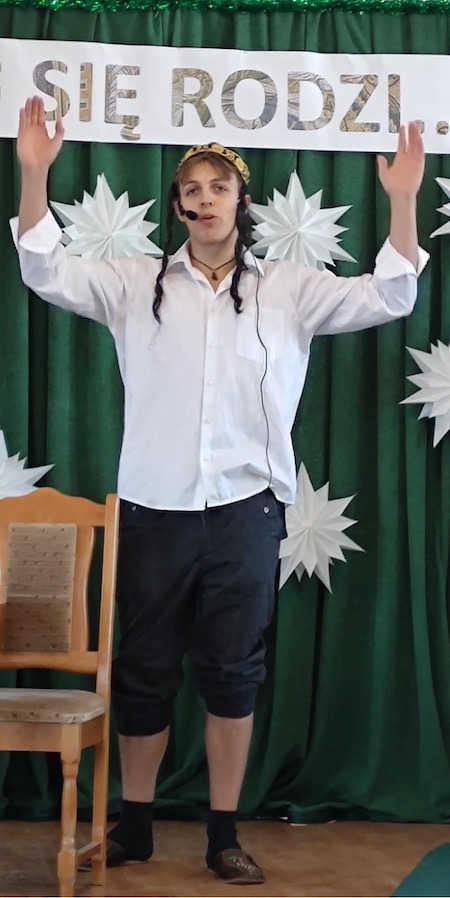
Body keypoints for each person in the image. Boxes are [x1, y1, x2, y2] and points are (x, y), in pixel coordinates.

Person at [12, 96, 426, 885]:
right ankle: (135, 826)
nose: (204, 200)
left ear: (243, 201)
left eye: (219, 188)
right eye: (191, 190)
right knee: (144, 672)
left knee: (234, 673)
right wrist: (34, 176)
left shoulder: (290, 290)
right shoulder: (134, 284)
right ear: (178, 206)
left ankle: (224, 834)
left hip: (246, 513)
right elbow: (43, 269)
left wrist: (402, 202)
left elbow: (391, 295)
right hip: (152, 510)